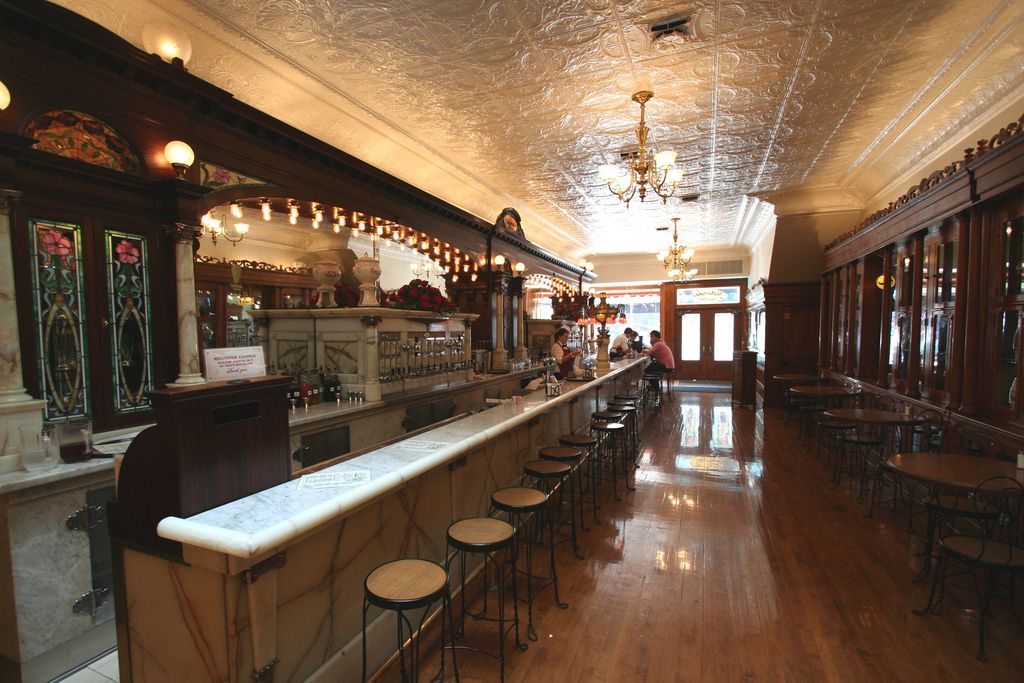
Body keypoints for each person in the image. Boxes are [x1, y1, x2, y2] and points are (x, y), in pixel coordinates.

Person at [643, 330, 675, 394]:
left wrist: (644, 351)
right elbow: (655, 354)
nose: (651, 338)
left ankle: (655, 388)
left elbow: (649, 353)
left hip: (666, 366)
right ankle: (654, 387)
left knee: (647, 369)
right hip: (669, 365)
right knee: (651, 367)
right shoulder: (661, 343)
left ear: (657, 337)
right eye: (650, 336)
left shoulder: (659, 344)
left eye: (652, 336)